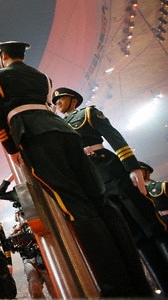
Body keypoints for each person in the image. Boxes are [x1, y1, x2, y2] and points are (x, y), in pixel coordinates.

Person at [0, 40, 151, 297]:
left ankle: (115, 289)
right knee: (102, 203)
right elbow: (48, 105)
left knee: (76, 207)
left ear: (2, 56)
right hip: (65, 132)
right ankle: (139, 285)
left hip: (35, 136)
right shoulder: (43, 77)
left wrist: (12, 149)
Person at [53, 87, 168, 294]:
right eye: (55, 101)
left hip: (110, 168)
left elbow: (115, 138)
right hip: (93, 178)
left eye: (60, 98)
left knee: (149, 224)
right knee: (133, 235)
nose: (57, 103)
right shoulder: (59, 125)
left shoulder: (88, 114)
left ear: (72, 100)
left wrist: (132, 167)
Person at [0, 176, 52, 299]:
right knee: (34, 286)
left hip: (44, 255)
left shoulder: (41, 217)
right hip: (29, 258)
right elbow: (0, 195)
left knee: (53, 284)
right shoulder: (19, 227)